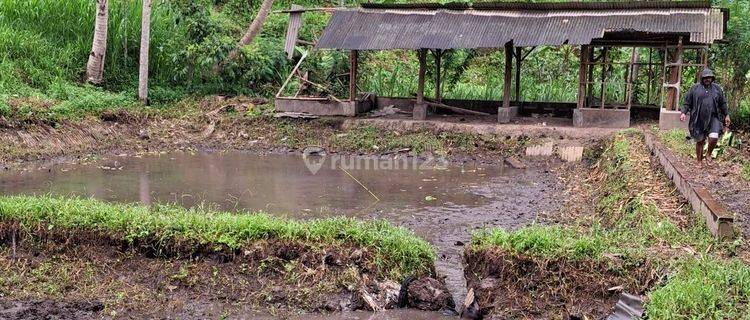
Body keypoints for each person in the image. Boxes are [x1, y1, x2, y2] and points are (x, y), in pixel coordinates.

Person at [680, 68, 730, 164]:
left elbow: (722, 103)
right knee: (700, 140)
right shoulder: (694, 88)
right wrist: (683, 112)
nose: (708, 79)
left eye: (710, 78)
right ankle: (699, 161)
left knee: (714, 137)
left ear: (712, 78)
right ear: (702, 78)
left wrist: (726, 115)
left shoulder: (717, 89)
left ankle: (708, 154)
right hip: (698, 118)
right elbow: (687, 102)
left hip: (713, 118)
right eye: (706, 78)